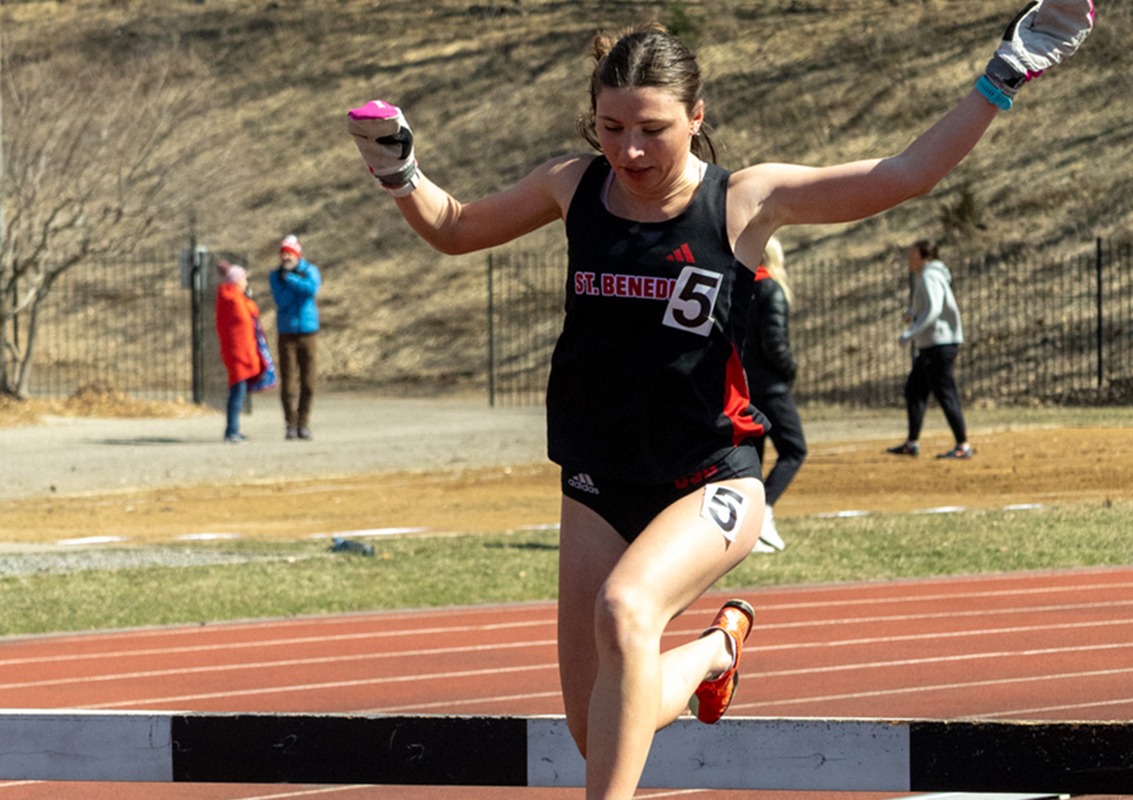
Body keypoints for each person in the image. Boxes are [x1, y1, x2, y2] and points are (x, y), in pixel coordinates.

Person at [346, 4, 1090, 798]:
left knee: (624, 610)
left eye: (653, 130)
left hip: (710, 479)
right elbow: (457, 228)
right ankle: (713, 653)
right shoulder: (572, 184)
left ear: (696, 117)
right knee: (597, 727)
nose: (630, 150)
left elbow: (903, 173)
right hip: (597, 480)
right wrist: (399, 170)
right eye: (611, 128)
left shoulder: (744, 200)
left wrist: (1002, 77)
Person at [743, 236, 805, 552]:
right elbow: (775, 343)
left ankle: (748, 526)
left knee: (753, 456)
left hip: (744, 385)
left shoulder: (740, 286)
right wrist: (790, 370)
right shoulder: (771, 289)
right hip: (770, 386)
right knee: (794, 449)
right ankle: (763, 513)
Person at [887, 238, 973, 459]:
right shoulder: (932, 275)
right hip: (933, 345)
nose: (909, 258)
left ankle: (963, 445)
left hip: (939, 344)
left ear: (924, 256)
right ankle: (911, 443)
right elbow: (932, 307)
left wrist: (910, 333)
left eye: (913, 254)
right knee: (915, 390)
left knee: (945, 393)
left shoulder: (929, 276)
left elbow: (934, 309)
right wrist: (913, 314)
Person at [268, 234, 322, 440]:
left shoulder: (310, 271)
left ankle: (304, 422)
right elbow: (282, 300)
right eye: (282, 254)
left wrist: (291, 279)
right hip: (287, 333)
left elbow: (311, 290)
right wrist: (297, 287)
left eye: (289, 254)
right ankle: (290, 423)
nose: (285, 258)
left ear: (297, 254)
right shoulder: (275, 276)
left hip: (309, 332)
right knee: (289, 382)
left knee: (308, 382)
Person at [214, 261, 263, 444]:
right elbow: (247, 316)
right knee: (237, 391)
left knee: (238, 391)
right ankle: (232, 430)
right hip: (238, 352)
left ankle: (233, 429)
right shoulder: (233, 298)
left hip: (237, 350)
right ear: (236, 281)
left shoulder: (231, 297)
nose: (246, 282)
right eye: (243, 279)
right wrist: (248, 300)